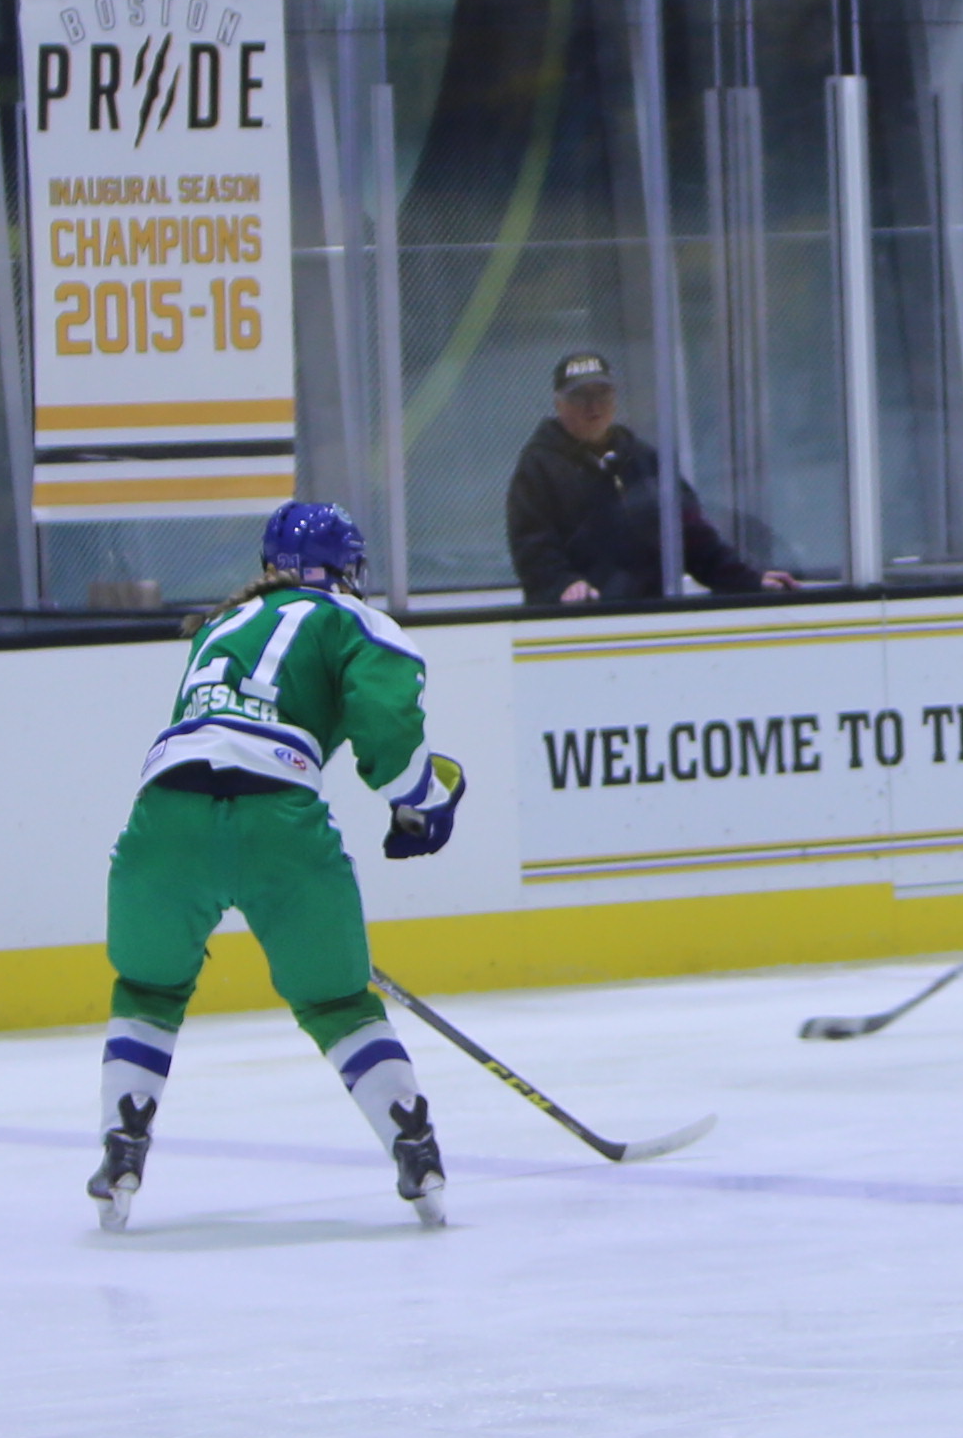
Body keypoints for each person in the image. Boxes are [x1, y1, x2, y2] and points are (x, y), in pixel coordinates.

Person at [89, 500, 466, 1232]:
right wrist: (422, 802)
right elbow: (389, 736)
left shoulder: (221, 624)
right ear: (346, 569)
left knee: (149, 988)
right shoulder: (355, 620)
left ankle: (121, 1147)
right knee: (336, 1002)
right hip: (279, 824)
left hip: (164, 818)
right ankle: (414, 1148)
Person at [504, 350, 792, 609]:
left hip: (648, 615)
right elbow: (532, 546)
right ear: (559, 404)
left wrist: (747, 578)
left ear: (615, 400)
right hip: (576, 623)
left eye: (602, 394)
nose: (593, 406)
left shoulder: (644, 460)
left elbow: (691, 536)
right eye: (580, 396)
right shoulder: (538, 466)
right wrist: (562, 585)